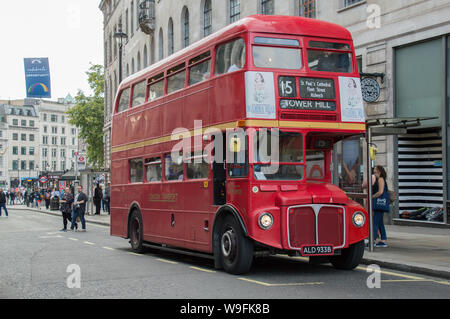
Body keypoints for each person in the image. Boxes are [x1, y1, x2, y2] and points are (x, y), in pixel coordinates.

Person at [372, 165, 389, 248]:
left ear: (379, 171)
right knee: (380, 222)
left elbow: (380, 192)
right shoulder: (379, 179)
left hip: (379, 203)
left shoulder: (380, 179)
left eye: (375, 170)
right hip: (380, 204)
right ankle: (383, 240)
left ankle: (373, 240)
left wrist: (373, 196)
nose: (374, 172)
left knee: (375, 222)